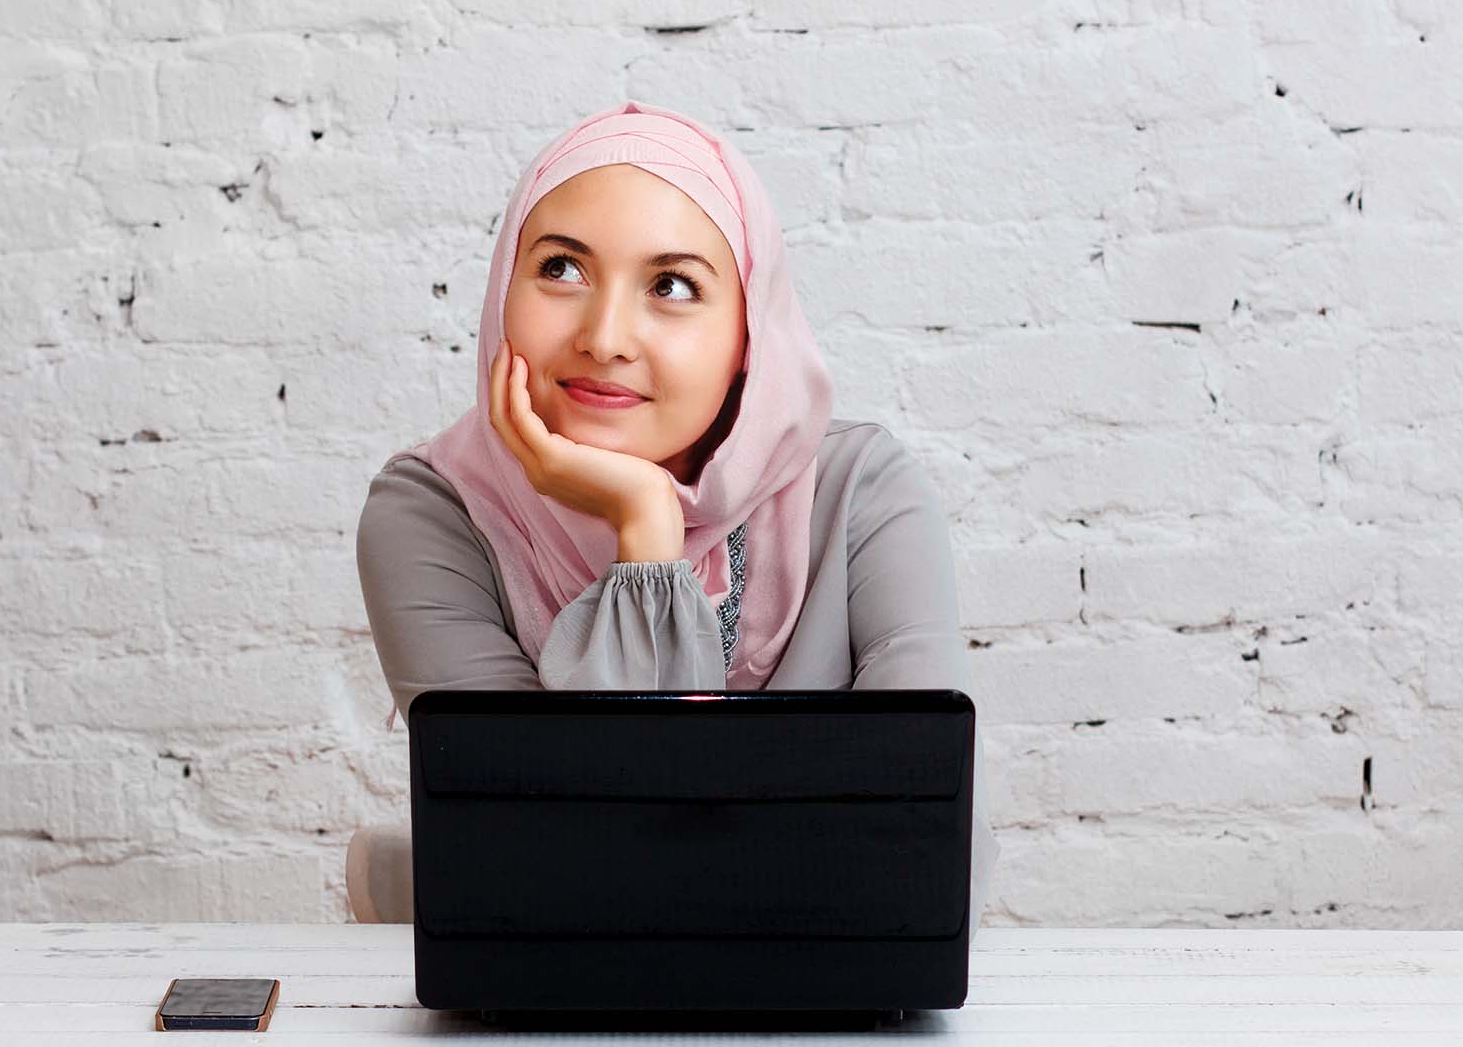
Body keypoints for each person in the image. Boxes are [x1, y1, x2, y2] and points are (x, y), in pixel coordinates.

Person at [350, 100, 999, 942]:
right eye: (561, 270)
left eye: (672, 286)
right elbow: (556, 870)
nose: (607, 337)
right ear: (503, 288)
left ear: (746, 338)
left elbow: (935, 855)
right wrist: (646, 531)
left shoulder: (859, 495)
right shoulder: (432, 514)